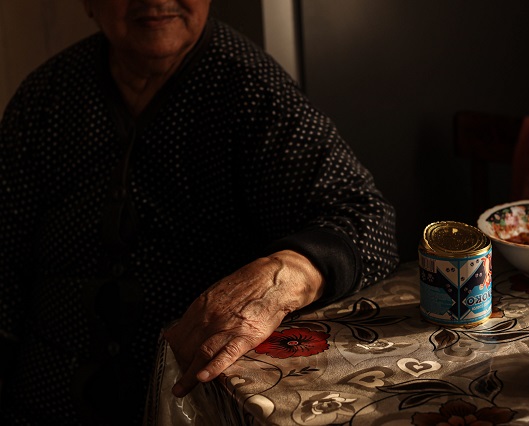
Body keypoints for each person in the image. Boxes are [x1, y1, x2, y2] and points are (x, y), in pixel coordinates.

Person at [0, 0, 399, 424]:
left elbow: (365, 217)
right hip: (43, 399)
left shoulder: (250, 88)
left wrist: (285, 272)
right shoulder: (47, 94)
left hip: (190, 402)